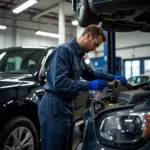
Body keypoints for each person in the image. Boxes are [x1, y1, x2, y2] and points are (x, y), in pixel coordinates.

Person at [38, 24, 127, 150]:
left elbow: (92, 74)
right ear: (88, 36)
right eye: (95, 44)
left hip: (66, 105)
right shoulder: (64, 50)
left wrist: (112, 77)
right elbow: (60, 82)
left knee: (66, 145)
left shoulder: (78, 56)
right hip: (54, 104)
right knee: (54, 146)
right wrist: (89, 85)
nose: (95, 49)